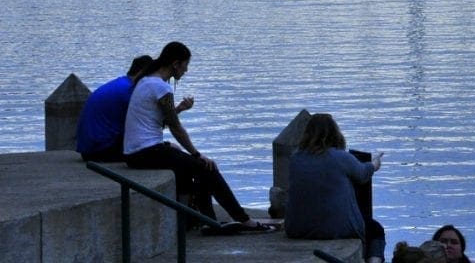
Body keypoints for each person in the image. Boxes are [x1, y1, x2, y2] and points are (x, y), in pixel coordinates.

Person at [123, 41, 273, 233]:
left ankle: (206, 221)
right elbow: (176, 128)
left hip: (136, 151)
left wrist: (179, 110)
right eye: (185, 64)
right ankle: (242, 219)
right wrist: (196, 153)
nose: (186, 70)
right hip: (145, 151)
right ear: (176, 64)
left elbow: (160, 122)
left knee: (194, 169)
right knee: (206, 167)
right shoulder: (161, 88)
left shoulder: (146, 81)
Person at [285, 113, 386, 263]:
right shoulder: (340, 157)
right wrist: (374, 164)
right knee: (375, 230)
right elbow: (363, 174)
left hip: (297, 229)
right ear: (335, 133)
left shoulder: (295, 159)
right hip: (338, 229)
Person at [76, 54, 156, 161]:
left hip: (88, 150)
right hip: (100, 151)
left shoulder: (121, 83)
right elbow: (143, 126)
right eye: (151, 76)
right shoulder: (129, 91)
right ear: (142, 73)